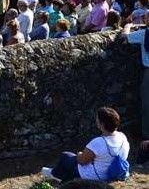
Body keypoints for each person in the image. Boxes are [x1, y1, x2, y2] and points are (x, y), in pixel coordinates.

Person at [43, 107, 129, 183]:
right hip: (112, 174)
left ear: (102, 124)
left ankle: (55, 174)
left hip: (95, 177)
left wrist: (80, 154)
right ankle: (60, 176)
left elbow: (82, 161)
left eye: (97, 119)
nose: (96, 121)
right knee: (71, 161)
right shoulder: (122, 137)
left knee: (66, 156)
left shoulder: (98, 142)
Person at [122, 20, 149, 155]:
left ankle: (146, 137)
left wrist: (128, 26)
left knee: (146, 105)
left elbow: (125, 36)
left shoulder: (144, 33)